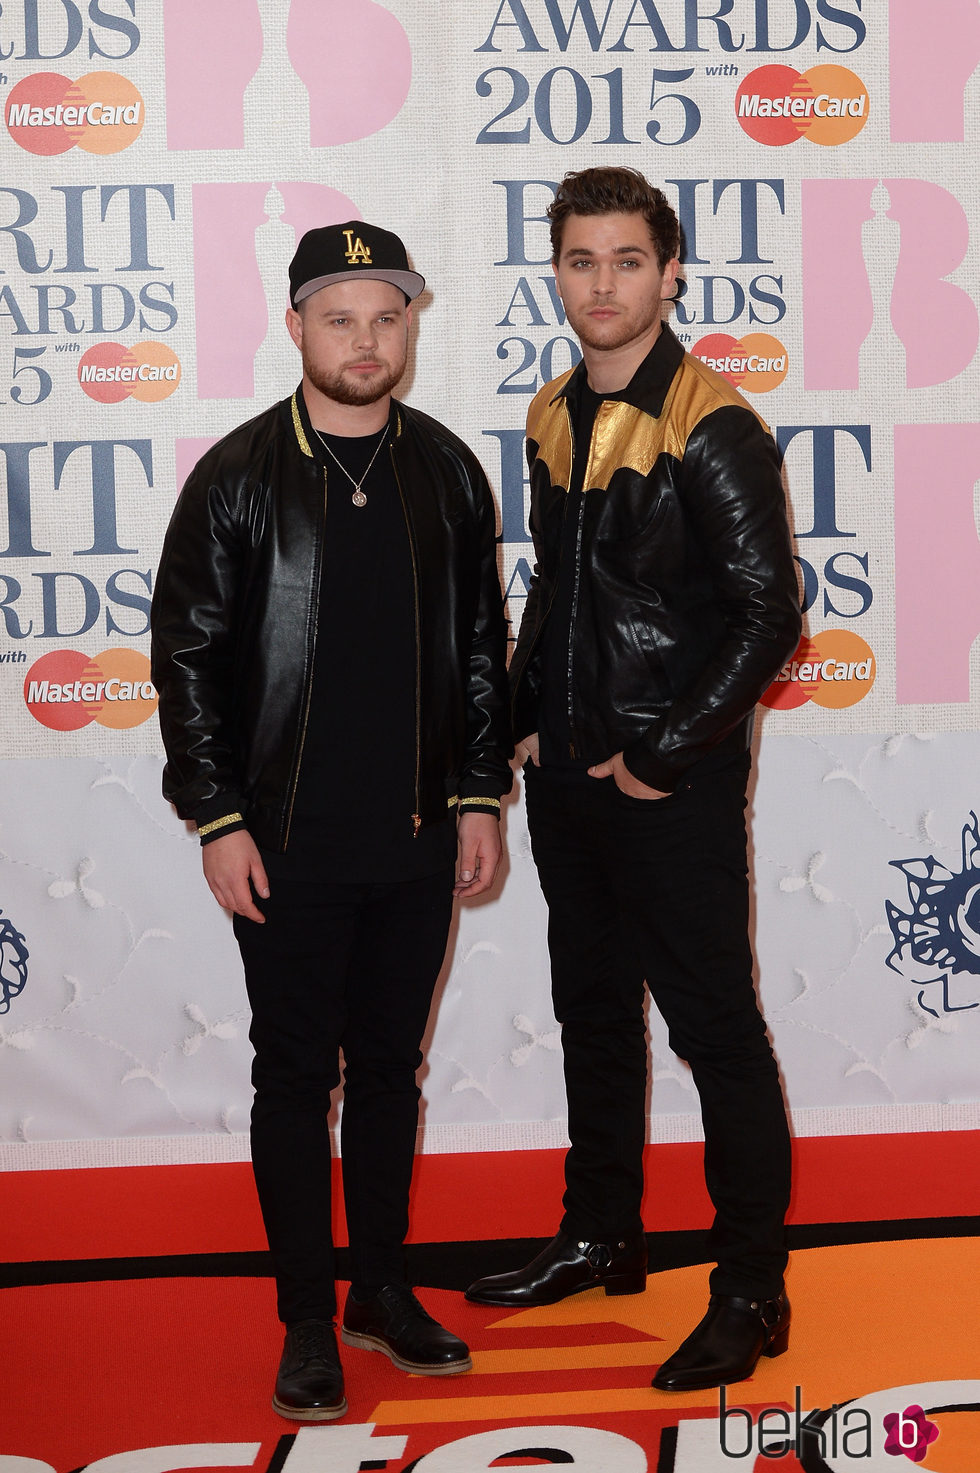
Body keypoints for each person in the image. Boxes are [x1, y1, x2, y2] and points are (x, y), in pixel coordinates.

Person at [151, 221, 512, 1421]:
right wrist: (215, 815)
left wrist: (475, 798)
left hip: (414, 838)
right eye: (340, 317)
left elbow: (476, 654)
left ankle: (381, 1291)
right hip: (286, 843)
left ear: (411, 326)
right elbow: (188, 656)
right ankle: (306, 1314)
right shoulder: (238, 475)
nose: (365, 341)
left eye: (386, 317)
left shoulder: (448, 471)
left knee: (392, 1077)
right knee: (294, 1076)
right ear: (296, 325)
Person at [464, 168, 802, 1393]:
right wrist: (518, 733)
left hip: (674, 785)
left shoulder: (710, 423)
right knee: (593, 1017)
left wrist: (662, 757)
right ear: (553, 272)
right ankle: (601, 1235)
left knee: (715, 1031)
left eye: (624, 262)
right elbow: (557, 598)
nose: (599, 284)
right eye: (577, 261)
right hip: (568, 788)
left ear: (668, 276)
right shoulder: (552, 409)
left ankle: (751, 1288)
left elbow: (770, 616)